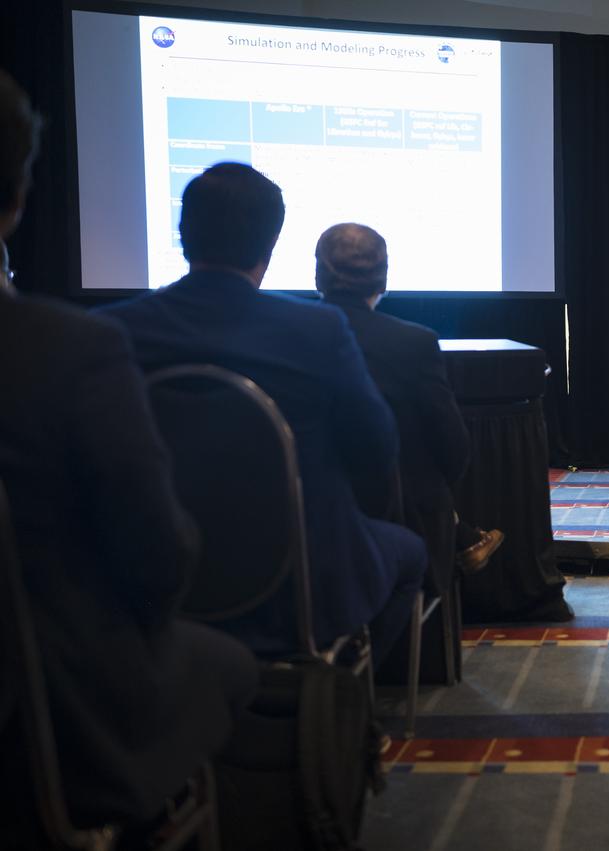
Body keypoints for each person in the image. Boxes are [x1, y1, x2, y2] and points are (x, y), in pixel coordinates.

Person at [0, 71, 257, 838]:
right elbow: (156, 555)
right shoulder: (68, 351)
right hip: (42, 723)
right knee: (228, 665)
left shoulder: (113, 333)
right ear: (17, 198)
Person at [100, 163, 427, 664]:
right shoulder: (318, 331)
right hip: (297, 589)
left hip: (151, 576)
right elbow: (377, 450)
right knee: (410, 554)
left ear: (183, 236)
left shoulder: (110, 333)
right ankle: (335, 708)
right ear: (270, 247)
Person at [313, 223, 504, 626]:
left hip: (298, 515)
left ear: (318, 277)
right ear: (384, 278)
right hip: (396, 519)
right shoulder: (411, 342)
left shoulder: (287, 334)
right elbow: (454, 453)